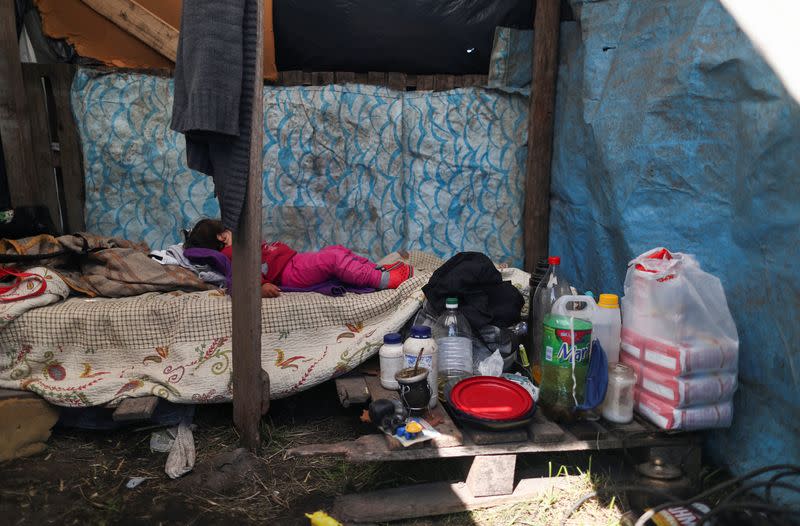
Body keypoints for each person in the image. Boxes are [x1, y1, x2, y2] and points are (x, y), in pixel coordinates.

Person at [184, 219, 413, 298]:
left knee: (337, 250)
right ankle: (383, 281)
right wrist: (260, 287)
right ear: (222, 236)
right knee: (333, 258)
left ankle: (376, 271)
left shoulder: (236, 248)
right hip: (290, 273)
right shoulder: (231, 253)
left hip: (295, 262)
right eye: (228, 229)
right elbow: (239, 278)